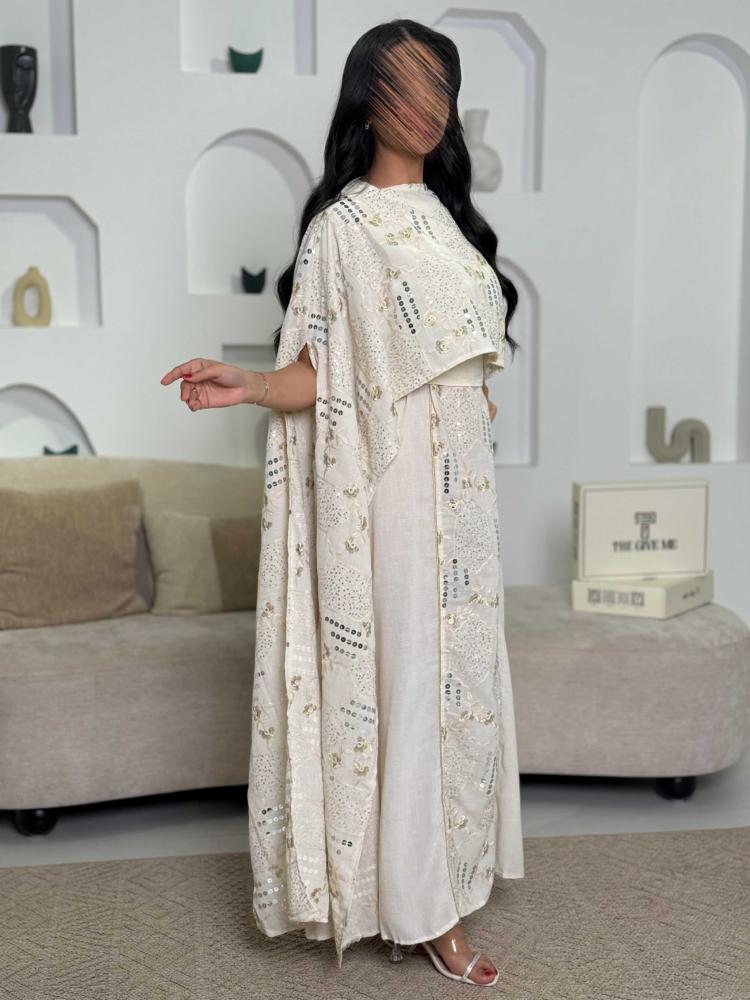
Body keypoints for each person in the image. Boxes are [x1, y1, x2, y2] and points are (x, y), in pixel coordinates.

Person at [160, 17, 524, 986]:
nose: (427, 105)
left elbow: (445, 351)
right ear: (367, 101)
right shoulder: (341, 230)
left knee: (462, 689)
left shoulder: (450, 222)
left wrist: (468, 398)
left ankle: (439, 883)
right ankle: (423, 909)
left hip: (466, 494)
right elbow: (326, 372)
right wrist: (247, 383)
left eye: (440, 85)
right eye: (405, 85)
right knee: (409, 685)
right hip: (395, 488)